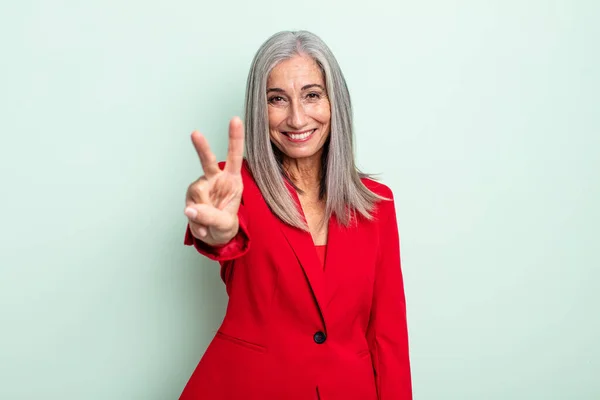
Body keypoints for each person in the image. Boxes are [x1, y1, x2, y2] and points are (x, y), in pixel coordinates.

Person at [180, 30, 412, 400]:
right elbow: (222, 236)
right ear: (260, 109)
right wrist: (214, 229)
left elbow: (388, 337)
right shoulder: (234, 186)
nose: (297, 117)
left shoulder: (377, 204)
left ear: (336, 102)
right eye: (277, 99)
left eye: (312, 95)